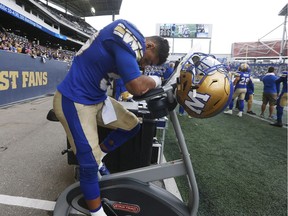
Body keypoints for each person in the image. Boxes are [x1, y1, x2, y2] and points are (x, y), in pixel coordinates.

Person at [53, 19, 169, 216]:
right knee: (88, 166)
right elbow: (137, 86)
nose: (145, 64)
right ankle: (97, 213)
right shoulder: (128, 36)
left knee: (132, 125)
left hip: (96, 99)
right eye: (149, 60)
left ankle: (100, 157)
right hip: (75, 99)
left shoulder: (130, 45)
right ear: (149, 45)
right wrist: (157, 79)